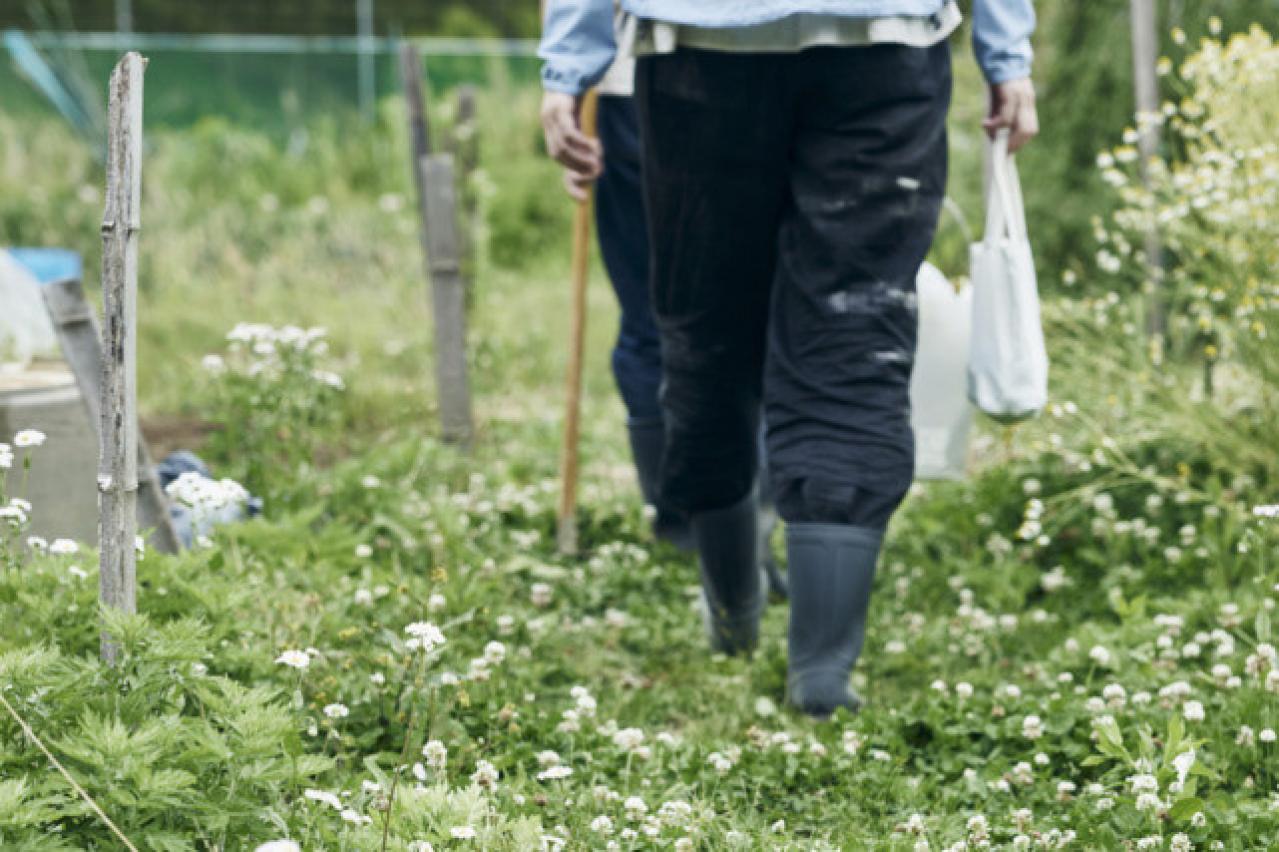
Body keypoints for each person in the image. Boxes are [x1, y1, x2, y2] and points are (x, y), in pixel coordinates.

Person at [540, 0, 1039, 718]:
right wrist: (1006, 53)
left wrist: (569, 65)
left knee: (705, 333)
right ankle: (820, 669)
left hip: (700, 49)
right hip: (881, 47)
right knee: (853, 330)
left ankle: (735, 611)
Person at [575, 14, 790, 594]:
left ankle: (692, 528)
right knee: (749, 315)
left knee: (660, 318)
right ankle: (733, 527)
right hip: (750, 67)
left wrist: (566, 79)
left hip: (641, 75)